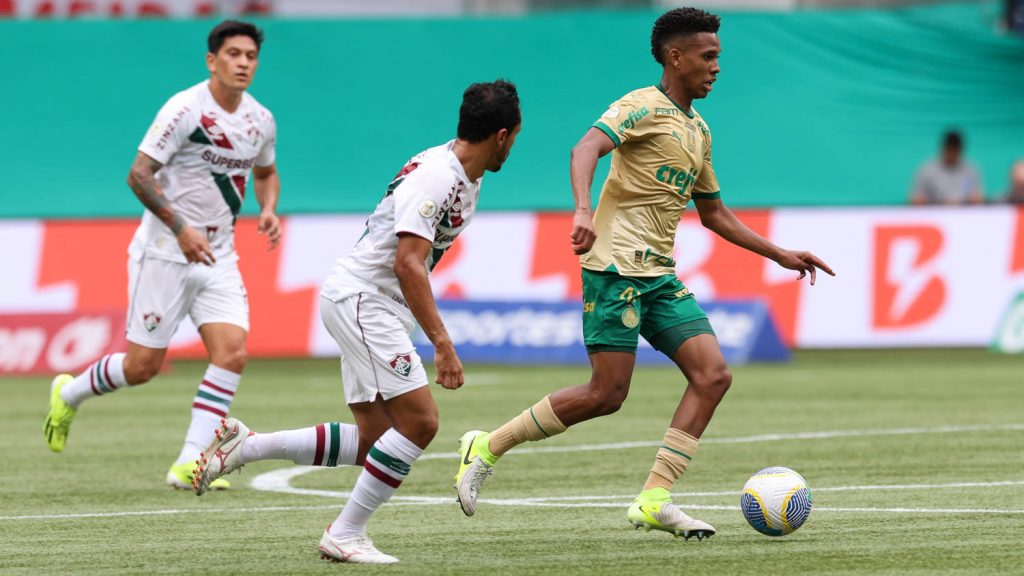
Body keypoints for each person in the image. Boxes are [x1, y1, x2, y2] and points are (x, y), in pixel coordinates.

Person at [453, 7, 834, 540]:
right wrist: (583, 210)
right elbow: (586, 147)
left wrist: (780, 254)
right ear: (675, 58)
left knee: (713, 376)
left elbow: (715, 213)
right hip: (614, 268)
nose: (717, 66)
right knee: (607, 395)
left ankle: (654, 498)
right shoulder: (640, 106)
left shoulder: (698, 130)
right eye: (708, 56)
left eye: (718, 56)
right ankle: (487, 445)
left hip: (657, 274)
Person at [191, 80, 522, 564]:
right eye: (515, 136)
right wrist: (442, 343)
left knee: (373, 440)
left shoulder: (464, 174)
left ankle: (248, 446)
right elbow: (408, 264)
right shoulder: (437, 176)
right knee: (421, 423)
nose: (513, 145)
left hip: (367, 303)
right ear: (501, 135)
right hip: (366, 301)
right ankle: (345, 533)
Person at [43, 20, 281, 492]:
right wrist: (181, 228)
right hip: (164, 253)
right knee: (141, 368)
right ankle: (68, 393)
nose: (243, 63)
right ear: (212, 60)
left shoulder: (261, 120)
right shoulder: (184, 110)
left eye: (250, 56)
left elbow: (267, 171)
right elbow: (137, 175)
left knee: (232, 354)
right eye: (233, 54)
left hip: (219, 255)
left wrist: (269, 208)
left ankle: (190, 461)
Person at [910, 130, 983, 205]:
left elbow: (977, 198)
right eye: (950, 149)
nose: (952, 154)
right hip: (934, 212)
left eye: (955, 150)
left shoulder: (970, 170)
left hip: (964, 213)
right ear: (943, 148)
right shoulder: (927, 170)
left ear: (961, 150)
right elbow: (916, 200)